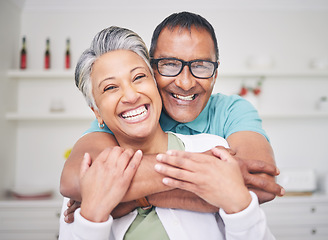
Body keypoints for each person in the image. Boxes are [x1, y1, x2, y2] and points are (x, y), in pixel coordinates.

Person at [60, 11, 284, 221]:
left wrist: (131, 199)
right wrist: (211, 176)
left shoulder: (232, 110)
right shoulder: (128, 116)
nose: (185, 82)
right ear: (152, 69)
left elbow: (259, 184)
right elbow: (75, 179)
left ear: (215, 73)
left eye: (201, 66)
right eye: (170, 65)